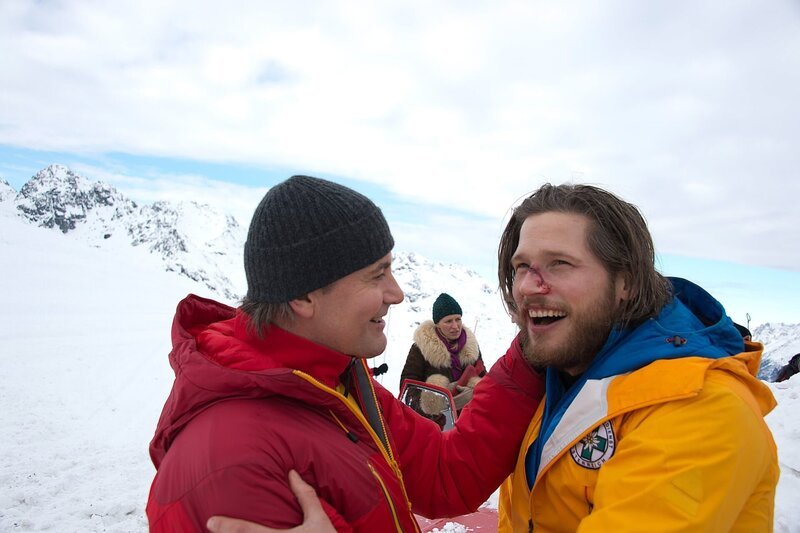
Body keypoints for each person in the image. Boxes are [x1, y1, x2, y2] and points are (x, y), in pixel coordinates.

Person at [145, 175, 545, 531]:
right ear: (304, 295)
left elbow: (445, 473)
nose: (397, 294)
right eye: (377, 275)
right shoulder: (236, 466)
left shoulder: (335, 382)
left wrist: (530, 356)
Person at [495, 183, 779, 531]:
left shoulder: (701, 408)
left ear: (625, 282)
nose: (527, 287)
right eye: (522, 266)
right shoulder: (564, 370)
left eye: (560, 264)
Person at [400, 293, 486, 414]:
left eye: (458, 319)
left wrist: (473, 391)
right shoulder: (420, 348)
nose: (455, 326)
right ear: (437, 324)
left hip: (468, 415)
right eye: (448, 321)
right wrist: (435, 402)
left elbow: (484, 377)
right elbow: (407, 387)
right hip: (436, 422)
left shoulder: (471, 346)